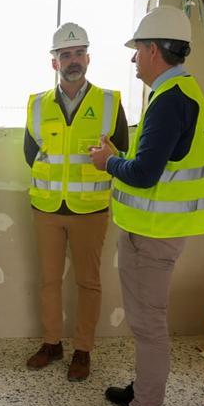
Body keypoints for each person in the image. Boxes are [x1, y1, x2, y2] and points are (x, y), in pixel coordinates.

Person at [89, 5, 204, 406]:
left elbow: (143, 174)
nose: (133, 59)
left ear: (155, 50)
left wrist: (108, 162)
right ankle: (144, 389)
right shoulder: (180, 93)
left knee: (148, 323)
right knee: (146, 320)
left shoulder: (170, 101)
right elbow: (153, 165)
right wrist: (120, 159)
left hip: (155, 234)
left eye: (137, 50)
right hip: (154, 230)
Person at [23, 23, 128, 381]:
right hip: (47, 208)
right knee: (49, 280)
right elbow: (30, 153)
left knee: (88, 282)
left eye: (78, 53)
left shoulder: (110, 101)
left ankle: (82, 350)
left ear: (88, 58)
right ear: (54, 62)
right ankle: (52, 344)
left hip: (91, 210)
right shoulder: (36, 104)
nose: (72, 60)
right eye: (64, 54)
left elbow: (123, 153)